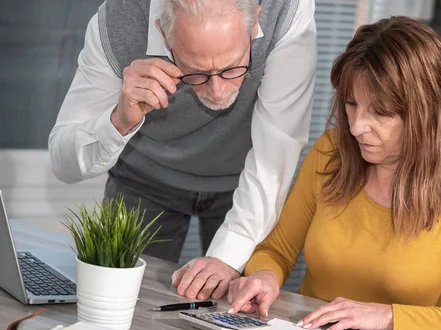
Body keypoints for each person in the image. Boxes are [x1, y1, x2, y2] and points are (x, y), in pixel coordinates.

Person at [227, 16, 441, 330]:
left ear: (426, 114)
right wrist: (264, 276)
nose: (356, 127)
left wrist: (386, 315)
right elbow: (277, 249)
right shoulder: (331, 152)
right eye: (351, 104)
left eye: (380, 113)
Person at [48, 0, 317, 301]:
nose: (217, 92)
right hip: (144, 178)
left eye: (232, 68)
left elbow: (277, 148)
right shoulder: (118, 19)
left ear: (255, 19)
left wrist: (228, 256)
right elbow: (63, 163)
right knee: (121, 303)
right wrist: (119, 120)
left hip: (245, 182)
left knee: (235, 314)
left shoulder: (286, 11)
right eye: (195, 72)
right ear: (163, 33)